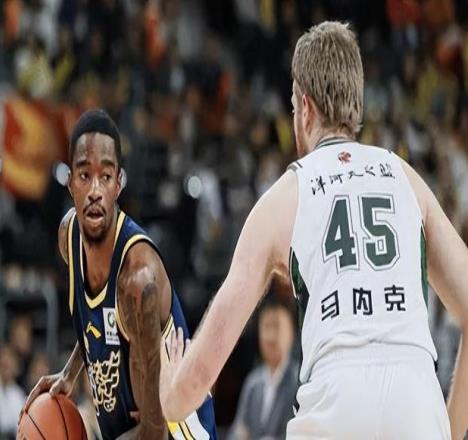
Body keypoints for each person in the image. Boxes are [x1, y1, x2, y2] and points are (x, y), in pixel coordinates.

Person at [159, 21, 468, 439]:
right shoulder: (406, 179)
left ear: (304, 107)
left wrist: (170, 393)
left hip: (336, 404)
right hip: (417, 404)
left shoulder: (283, 198)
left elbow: (198, 379)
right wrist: (449, 429)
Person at [22, 109, 217, 440]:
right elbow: (99, 322)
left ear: (119, 184)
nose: (95, 190)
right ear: (70, 183)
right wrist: (70, 372)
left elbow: (154, 430)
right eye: (85, 175)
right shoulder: (69, 238)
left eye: (106, 176)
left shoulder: (137, 280)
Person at [227, 300, 298, 440]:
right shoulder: (253, 383)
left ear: (291, 332)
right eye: (266, 327)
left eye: (276, 326)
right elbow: (239, 429)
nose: (270, 336)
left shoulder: (299, 379)